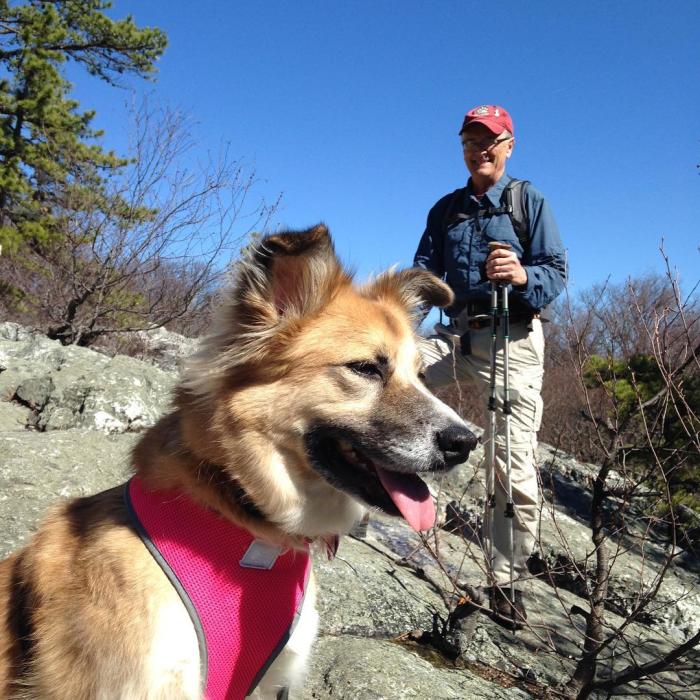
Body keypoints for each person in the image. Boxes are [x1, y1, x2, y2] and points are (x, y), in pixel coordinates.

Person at [414, 104, 566, 627]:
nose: (479, 148)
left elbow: (556, 270)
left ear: (508, 145)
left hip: (513, 340)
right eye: (470, 139)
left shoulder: (528, 201)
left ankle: (506, 582)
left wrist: (522, 275)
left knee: (511, 462)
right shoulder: (446, 210)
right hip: (457, 336)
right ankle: (359, 504)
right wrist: (394, 328)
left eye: (490, 139)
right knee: (383, 377)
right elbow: (422, 275)